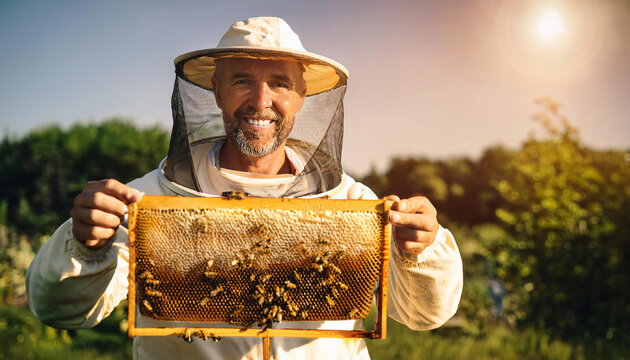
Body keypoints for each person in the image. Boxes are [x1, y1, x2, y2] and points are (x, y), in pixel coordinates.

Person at [26, 17, 463, 359]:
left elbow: (424, 315)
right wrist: (85, 245)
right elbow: (61, 310)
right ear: (215, 91)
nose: (260, 100)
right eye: (241, 80)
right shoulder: (148, 200)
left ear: (301, 97)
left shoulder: (352, 204)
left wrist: (420, 250)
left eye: (280, 83)